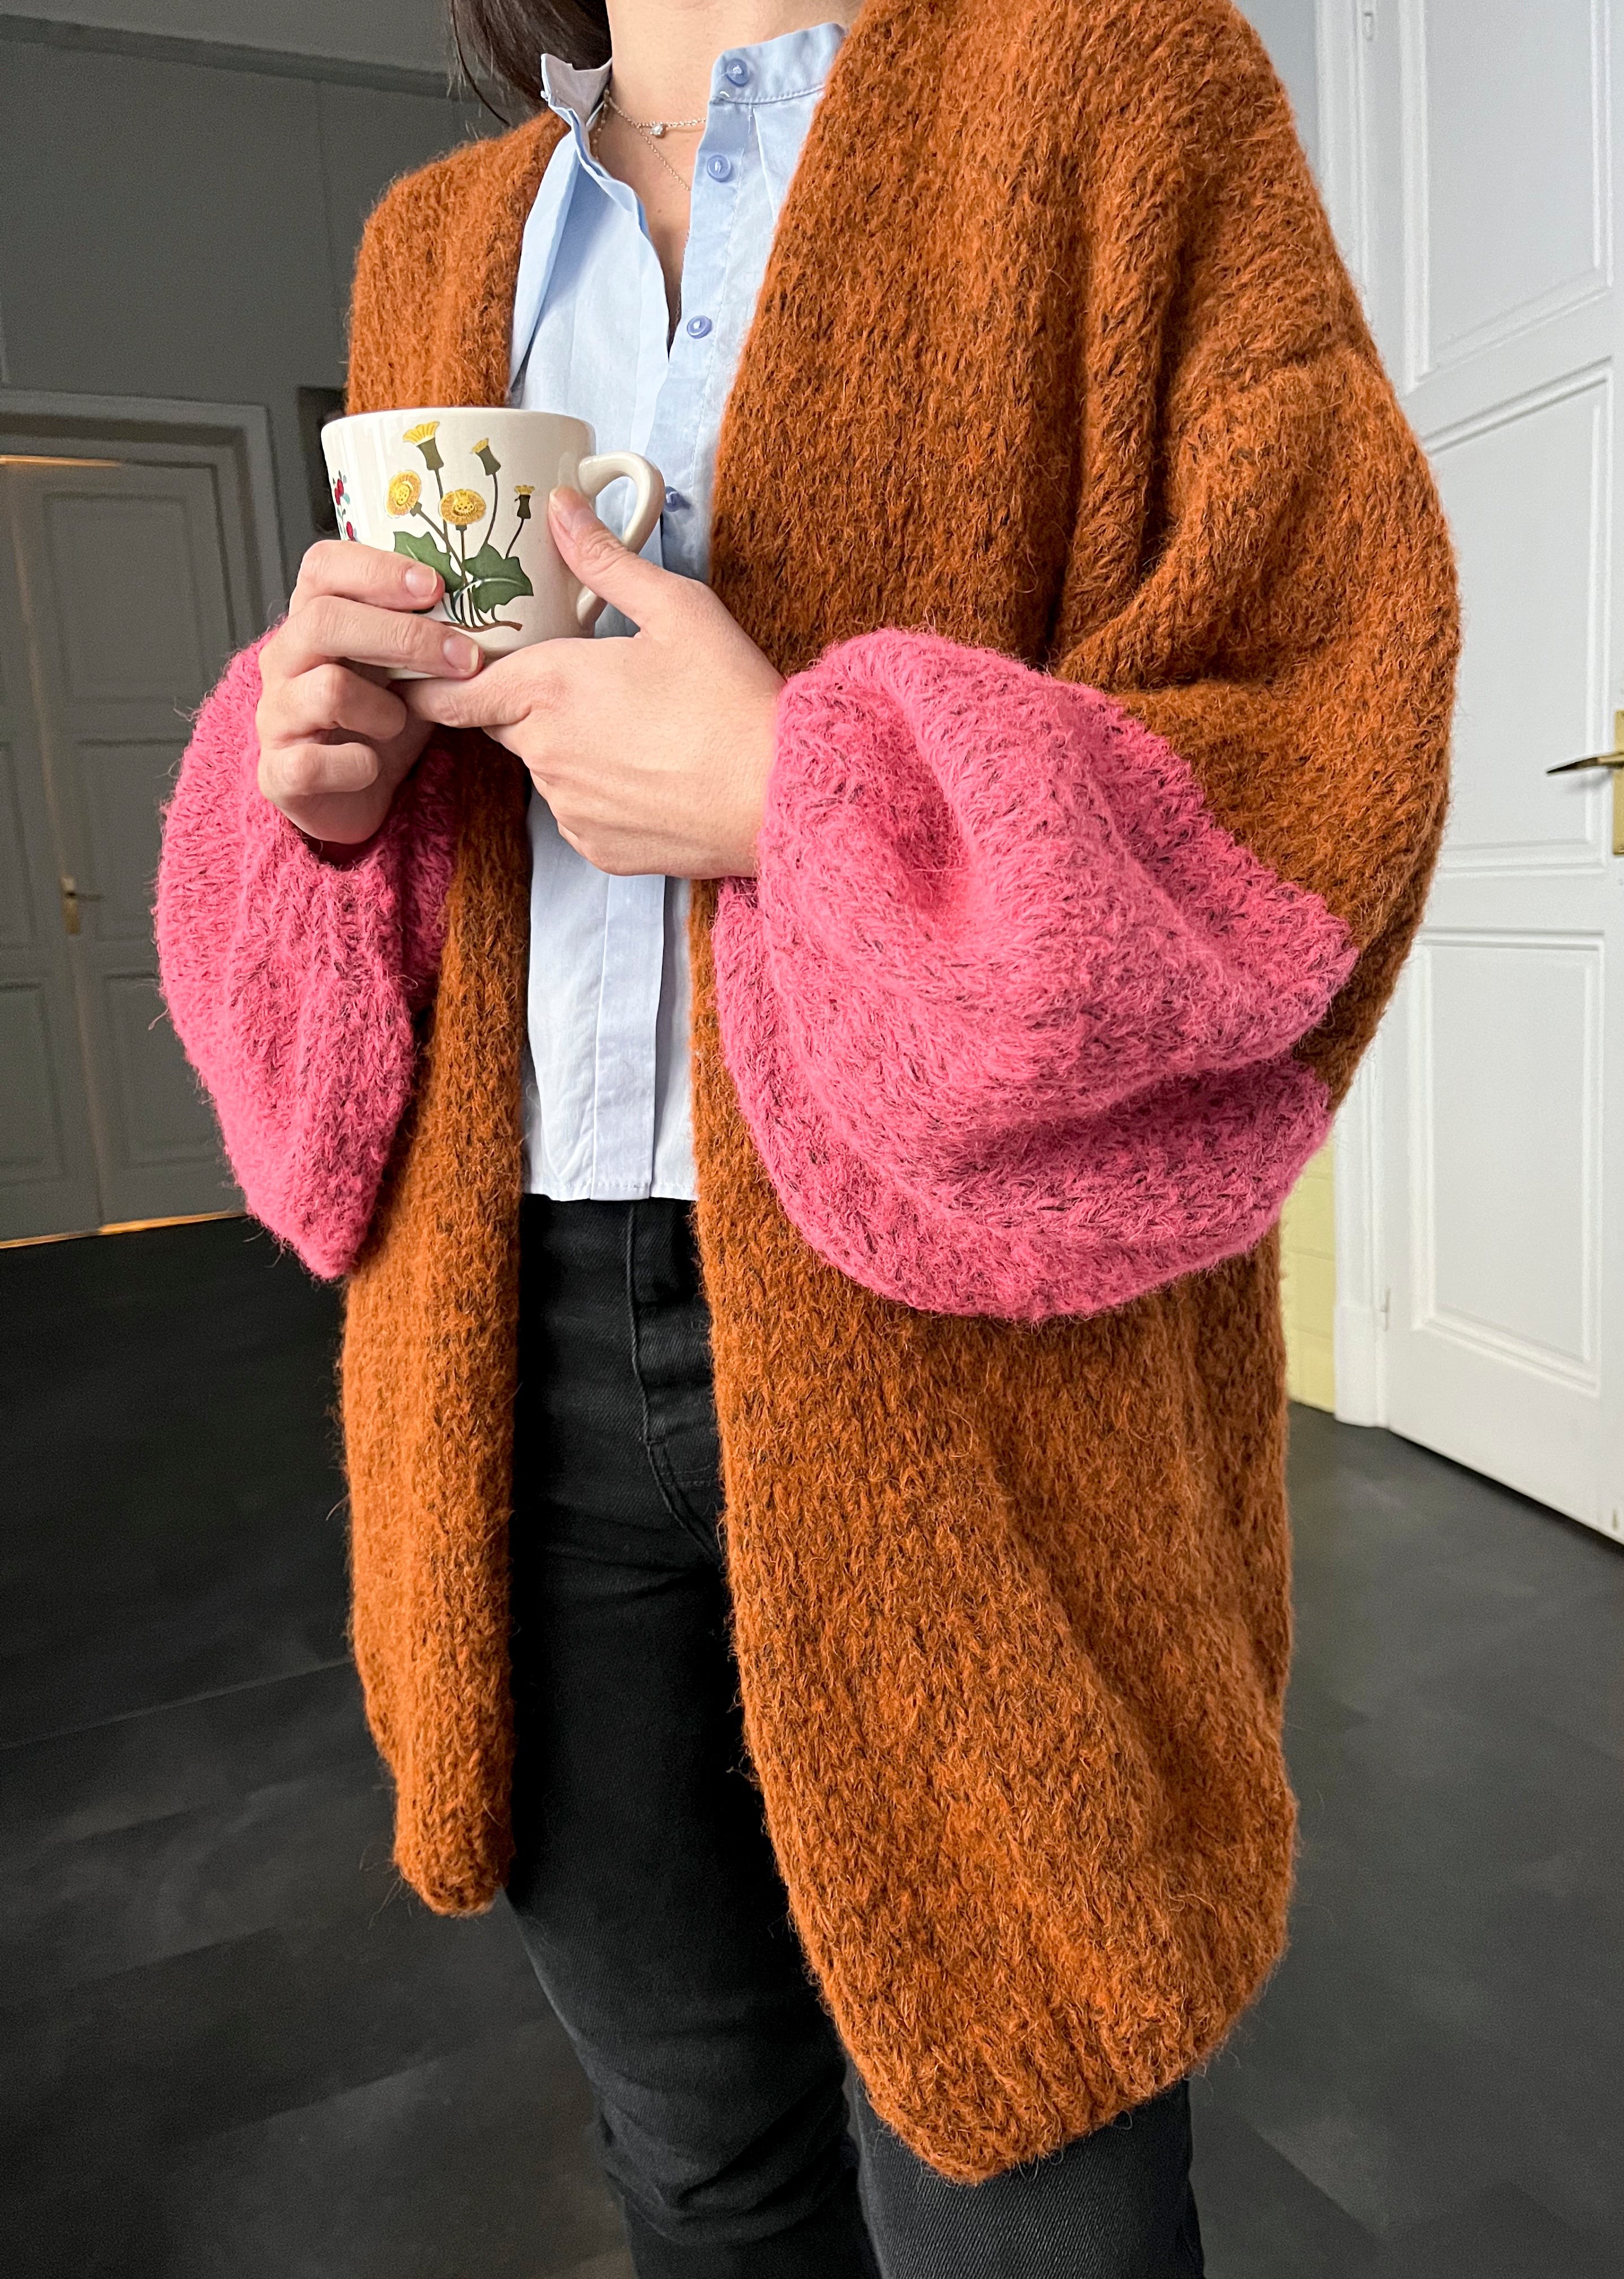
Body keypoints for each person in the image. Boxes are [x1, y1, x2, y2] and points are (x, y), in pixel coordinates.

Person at [155, 0, 1459, 2269]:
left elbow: (1331, 721)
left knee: (1036, 2173)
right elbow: (423, 781)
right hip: (506, 1364)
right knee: (697, 2159)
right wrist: (324, 780)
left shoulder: (1121, 88)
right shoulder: (433, 241)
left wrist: (803, 794)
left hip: (973, 1369)